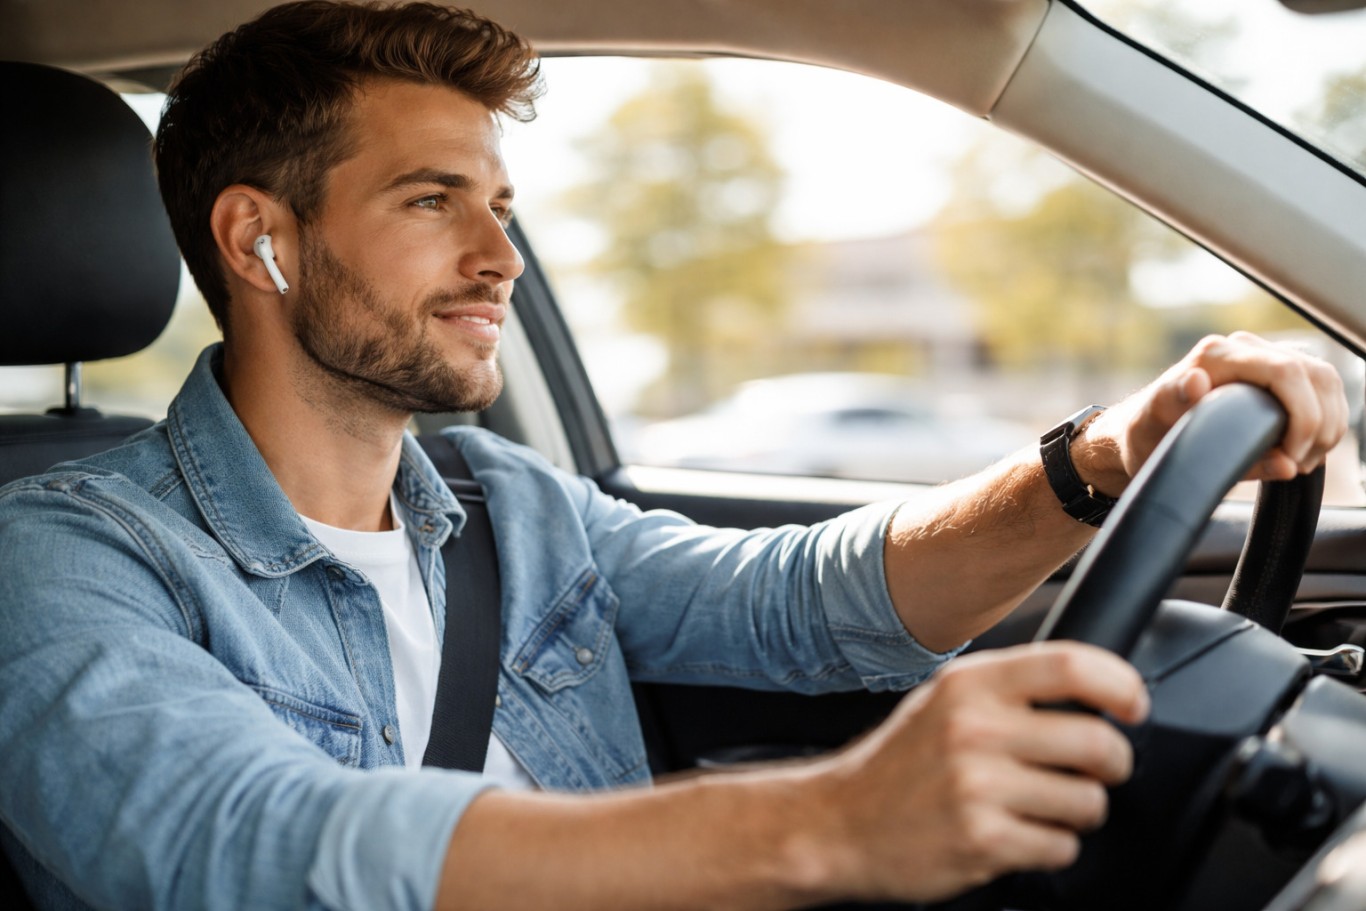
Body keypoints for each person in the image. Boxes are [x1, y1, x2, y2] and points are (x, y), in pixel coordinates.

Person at [0, 2, 1349, 909]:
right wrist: (826, 825)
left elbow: (802, 602)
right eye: (431, 202)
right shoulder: (61, 563)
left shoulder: (501, 503)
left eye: (501, 206)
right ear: (259, 243)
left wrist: (1102, 458)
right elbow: (264, 847)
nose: (499, 260)